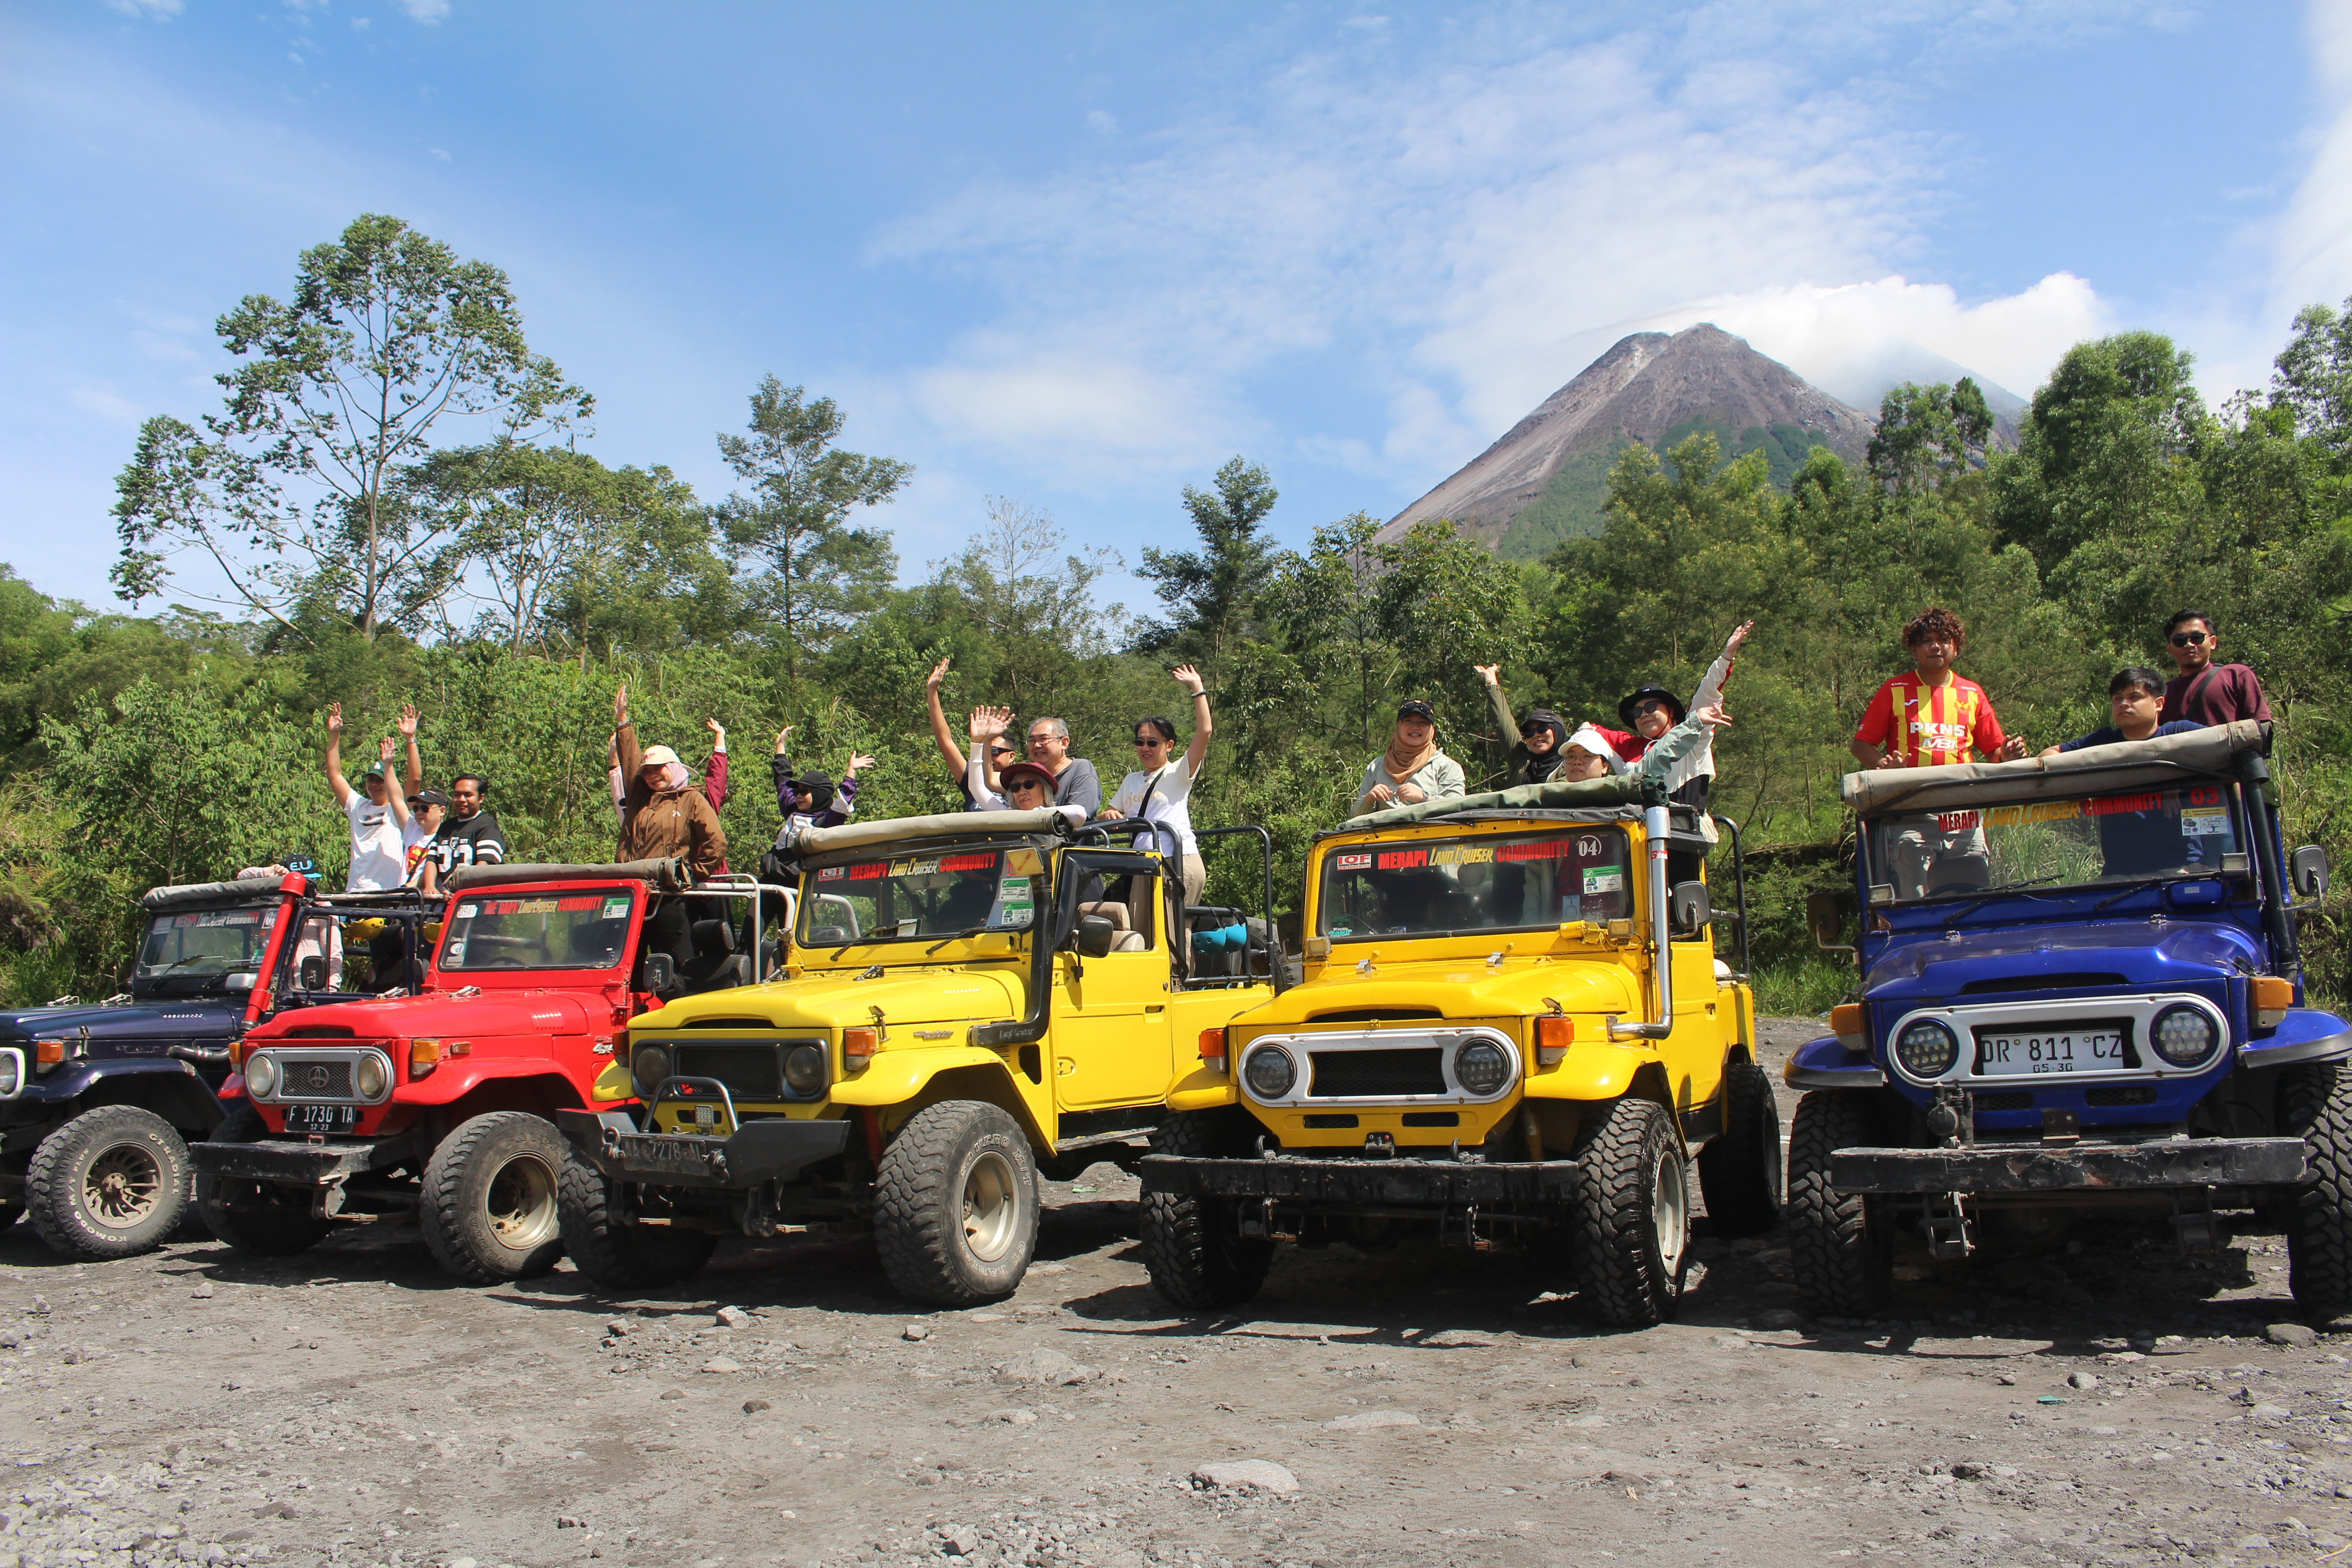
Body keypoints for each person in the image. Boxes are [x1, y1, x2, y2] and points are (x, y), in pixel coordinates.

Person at [1850, 606, 2028, 899]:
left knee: (1973, 899)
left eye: (1944, 640)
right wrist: (1885, 768)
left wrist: (2009, 754)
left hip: (1964, 815)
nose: (1936, 646)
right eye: (1927, 641)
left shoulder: (1972, 693)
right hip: (1911, 813)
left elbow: (1995, 753)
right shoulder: (1895, 690)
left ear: (1955, 649)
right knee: (1916, 901)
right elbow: (1860, 745)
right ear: (1914, 650)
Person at [1100, 665, 1214, 903]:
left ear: (1169, 746)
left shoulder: (1178, 772)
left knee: (1172, 926)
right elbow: (1111, 814)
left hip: (1175, 861)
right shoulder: (1131, 780)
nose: (1145, 748)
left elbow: (1205, 731)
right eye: (1140, 742)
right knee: (1143, 925)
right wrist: (1109, 814)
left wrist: (1197, 688)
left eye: (1152, 743)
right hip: (1143, 862)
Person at [1610, 620, 1754, 804]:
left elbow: (1706, 694)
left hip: (1687, 820)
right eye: (1636, 712)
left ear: (1671, 710)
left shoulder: (1693, 738)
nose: (1644, 714)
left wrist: (1726, 657)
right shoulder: (1632, 758)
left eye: (1651, 707)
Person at [612, 685, 727, 876]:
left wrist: (691, 874)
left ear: (674, 767)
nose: (652, 775)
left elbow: (717, 842)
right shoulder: (641, 799)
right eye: (647, 772)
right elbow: (630, 761)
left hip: (668, 888)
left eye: (658, 767)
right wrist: (623, 721)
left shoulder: (691, 800)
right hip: (633, 884)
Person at [323, 705, 412, 893]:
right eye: (371, 779)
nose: (374, 785)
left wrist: (410, 740)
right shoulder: (357, 806)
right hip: (357, 890)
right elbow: (334, 775)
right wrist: (334, 734)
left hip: (391, 890)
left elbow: (415, 779)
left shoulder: (399, 809)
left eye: (380, 780)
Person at [924, 657, 1024, 810]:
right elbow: (945, 740)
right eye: (985, 749)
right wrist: (932, 691)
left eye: (994, 751)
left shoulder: (1023, 786)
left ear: (1011, 756)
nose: (988, 756)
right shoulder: (971, 780)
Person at [2039, 668, 2203, 756]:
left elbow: (2218, 743)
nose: (2124, 704)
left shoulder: (2180, 733)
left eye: (2134, 697)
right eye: (2118, 699)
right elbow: (2051, 753)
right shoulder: (2103, 740)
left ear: (2158, 704)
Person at [2160, 610, 2272, 727]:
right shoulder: (2163, 694)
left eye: (2197, 638)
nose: (2189, 645)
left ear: (2213, 642)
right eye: (2180, 640)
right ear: (2169, 649)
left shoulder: (2236, 676)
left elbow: (2261, 727)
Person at [1355, 700, 1466, 815]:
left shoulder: (1447, 767)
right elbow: (1356, 815)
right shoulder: (1377, 766)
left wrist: (1424, 798)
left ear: (1432, 730)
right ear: (1399, 727)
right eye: (1408, 721)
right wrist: (1369, 799)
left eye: (1423, 723)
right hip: (1384, 827)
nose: (1415, 727)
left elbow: (1457, 808)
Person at [1473, 663, 1571, 786]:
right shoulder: (1521, 759)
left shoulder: (1574, 763)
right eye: (1529, 733)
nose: (1536, 735)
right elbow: (1503, 723)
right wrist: (1491, 680)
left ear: (1558, 730)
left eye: (1542, 728)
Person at [772, 724, 875, 832]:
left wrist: (851, 770)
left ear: (819, 795)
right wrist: (780, 745)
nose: (798, 796)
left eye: (804, 791)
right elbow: (782, 778)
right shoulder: (792, 810)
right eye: (797, 791)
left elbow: (842, 803)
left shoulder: (824, 823)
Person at [424, 772, 506, 892]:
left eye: (468, 795)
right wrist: (430, 887)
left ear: (481, 798)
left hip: (474, 897)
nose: (461, 800)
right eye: (457, 795)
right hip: (446, 897)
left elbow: (485, 865)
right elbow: (432, 859)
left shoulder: (486, 825)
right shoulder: (446, 826)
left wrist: (463, 892)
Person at [1020, 717, 1100, 818]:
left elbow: (1079, 814)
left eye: (1043, 739)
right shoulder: (1027, 776)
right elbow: (999, 784)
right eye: (1032, 740)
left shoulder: (1080, 768)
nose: (1037, 745)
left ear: (1064, 743)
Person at [403, 788, 451, 886]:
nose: (419, 812)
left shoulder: (447, 839)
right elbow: (397, 799)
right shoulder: (413, 830)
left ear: (442, 811)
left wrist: (404, 890)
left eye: (425, 808)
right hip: (405, 893)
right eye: (416, 808)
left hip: (426, 895)